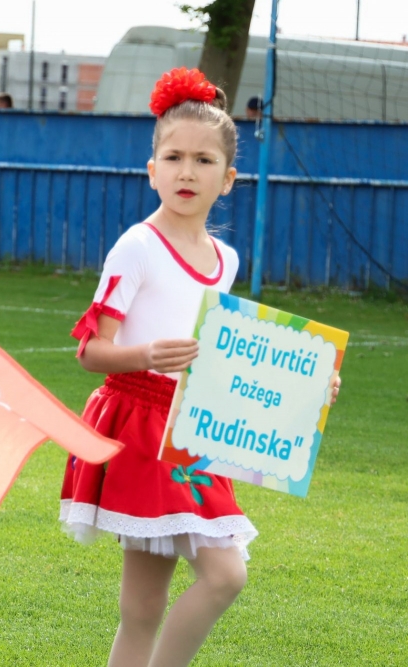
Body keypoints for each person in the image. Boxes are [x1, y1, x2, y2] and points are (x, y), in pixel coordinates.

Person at [59, 67, 336, 667]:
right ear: (151, 168)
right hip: (138, 426)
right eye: (174, 157)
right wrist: (145, 355)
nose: (187, 172)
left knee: (217, 576)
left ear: (229, 178)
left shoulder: (226, 260)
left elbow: (227, 362)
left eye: (204, 161)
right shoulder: (136, 246)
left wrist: (312, 383)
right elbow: (89, 351)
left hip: (193, 430)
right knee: (152, 604)